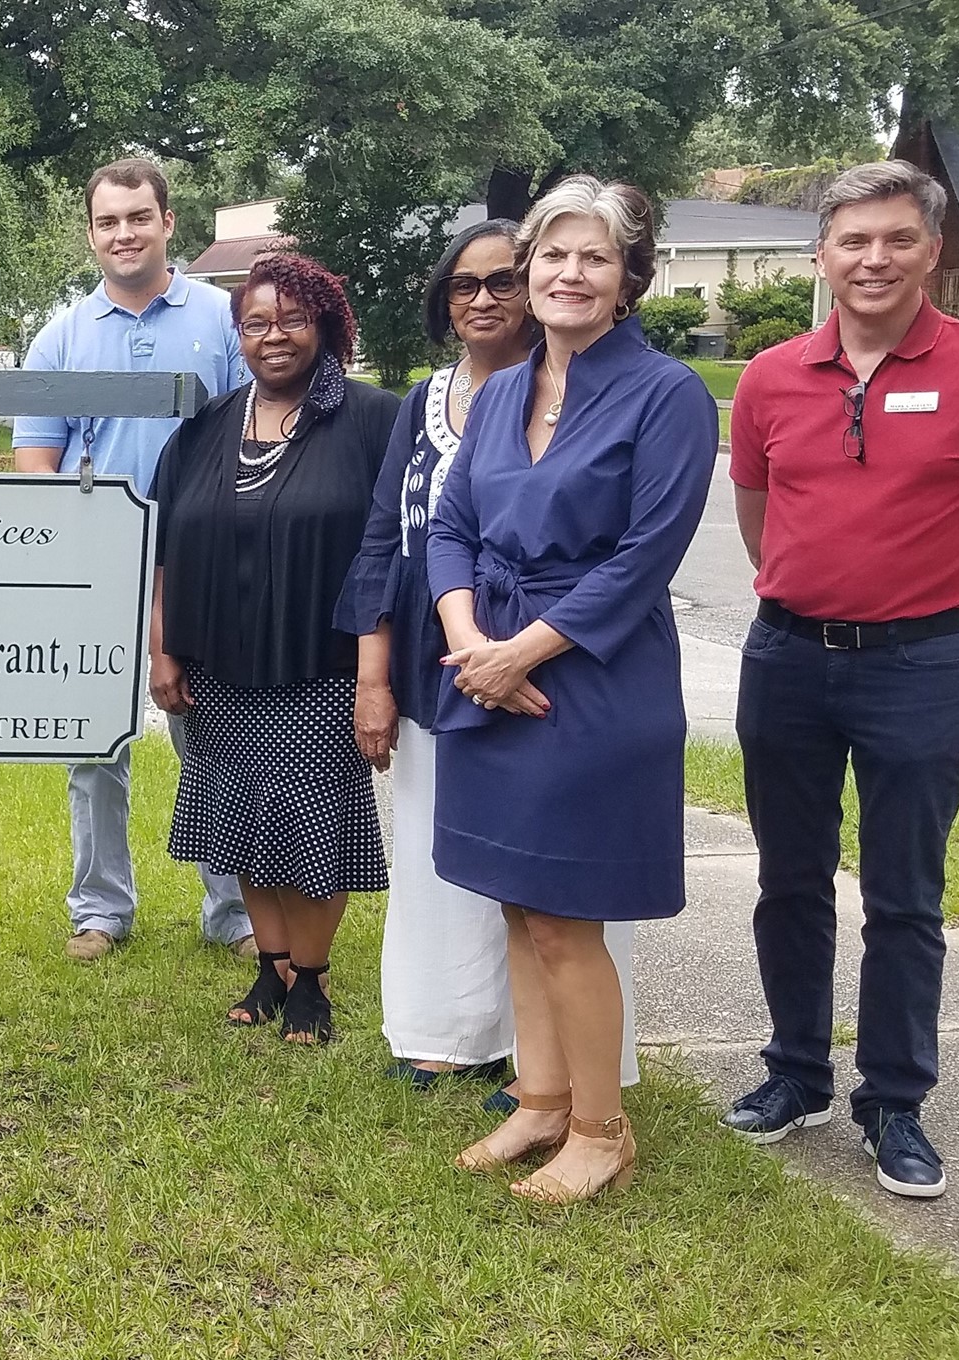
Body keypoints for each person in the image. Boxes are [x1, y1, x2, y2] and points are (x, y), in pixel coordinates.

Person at [721, 160, 959, 1199]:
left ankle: (892, 1099)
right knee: (786, 882)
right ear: (820, 253)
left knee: (903, 895)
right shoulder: (769, 377)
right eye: (851, 240)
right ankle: (794, 1073)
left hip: (919, 667)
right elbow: (756, 518)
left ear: (931, 250)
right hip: (784, 660)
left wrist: (933, 633)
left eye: (894, 239)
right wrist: (813, 600)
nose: (871, 259)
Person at [427, 176, 717, 1204]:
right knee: (514, 903)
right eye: (551, 255)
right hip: (488, 666)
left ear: (628, 276)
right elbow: (449, 525)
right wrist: (469, 641)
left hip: (591, 680)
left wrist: (521, 654)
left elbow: (643, 557)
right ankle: (539, 1103)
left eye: (592, 258)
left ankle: (601, 1129)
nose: (567, 274)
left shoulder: (668, 395)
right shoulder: (500, 389)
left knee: (564, 915)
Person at [335, 222, 641, 1098]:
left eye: (502, 281)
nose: (481, 300)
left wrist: (522, 652)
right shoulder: (420, 405)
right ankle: (445, 1027)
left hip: (563, 663)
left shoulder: (596, 399)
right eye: (462, 285)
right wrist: (374, 675)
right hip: (442, 662)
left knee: (556, 870)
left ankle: (558, 1069)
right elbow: (383, 544)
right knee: (445, 851)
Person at [147, 252, 396, 1044]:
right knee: (246, 823)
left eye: (291, 319)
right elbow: (165, 548)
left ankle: (312, 984)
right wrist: (164, 648)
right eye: (256, 323)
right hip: (221, 669)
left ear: (325, 326)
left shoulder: (371, 421)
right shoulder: (207, 428)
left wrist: (373, 675)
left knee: (311, 824)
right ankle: (271, 965)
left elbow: (389, 552)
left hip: (321, 669)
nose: (273, 336)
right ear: (239, 336)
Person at [15, 157, 254, 963]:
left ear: (167, 223)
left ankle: (231, 907)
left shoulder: (224, 320)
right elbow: (36, 459)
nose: (124, 233)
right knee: (93, 748)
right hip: (97, 566)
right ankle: (101, 909)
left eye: (138, 217)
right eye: (108, 221)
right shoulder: (62, 337)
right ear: (90, 233)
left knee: (212, 737)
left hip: (207, 563)